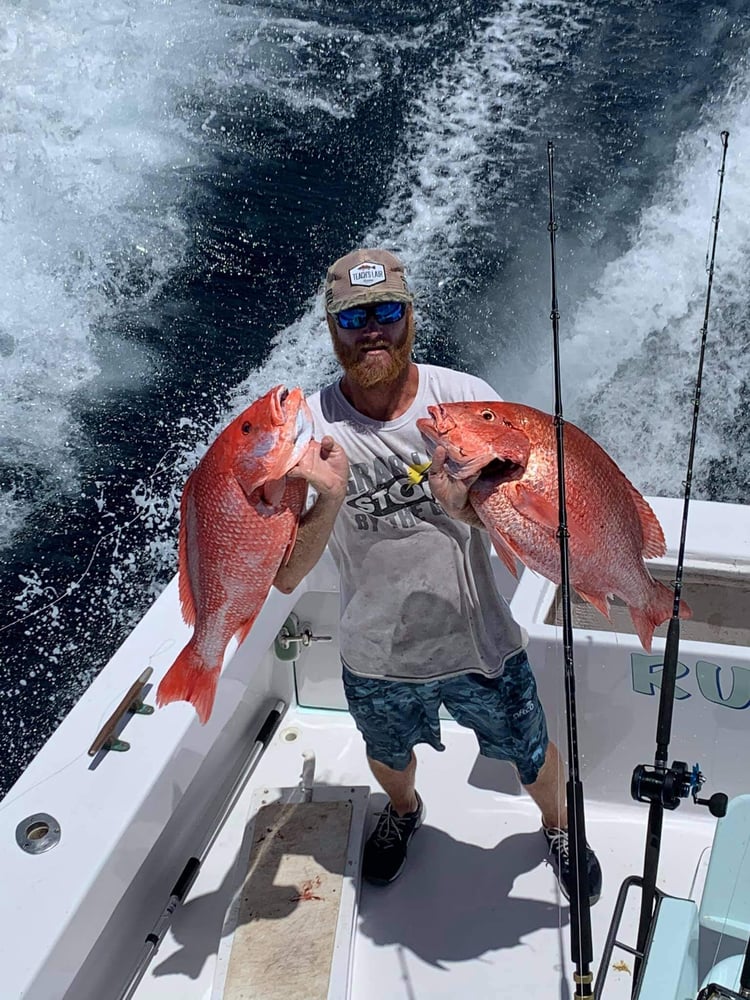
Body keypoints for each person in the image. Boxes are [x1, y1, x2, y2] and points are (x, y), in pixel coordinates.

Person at [274, 247, 602, 904]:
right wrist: (330, 499)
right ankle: (403, 812)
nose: (372, 329)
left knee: (531, 753)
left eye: (387, 311)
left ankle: (559, 827)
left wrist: (468, 509)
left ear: (411, 315)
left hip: (478, 640)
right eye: (354, 317)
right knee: (388, 756)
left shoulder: (467, 401)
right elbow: (287, 577)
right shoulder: (308, 430)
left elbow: (523, 519)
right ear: (331, 327)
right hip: (376, 649)